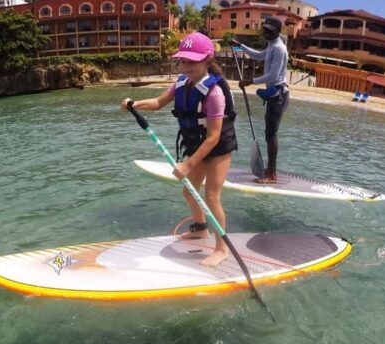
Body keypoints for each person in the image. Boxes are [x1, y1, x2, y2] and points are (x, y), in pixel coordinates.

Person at [121, 32, 238, 267]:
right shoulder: (182, 83)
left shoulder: (214, 93)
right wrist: (135, 104)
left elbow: (214, 137)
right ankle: (200, 228)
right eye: (182, 61)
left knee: (211, 197)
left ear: (207, 59)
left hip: (217, 149)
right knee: (189, 192)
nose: (185, 66)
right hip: (196, 145)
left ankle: (222, 249)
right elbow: (158, 102)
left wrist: (187, 164)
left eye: (191, 61)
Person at [232, 17, 289, 184]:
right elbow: (258, 56)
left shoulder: (279, 49)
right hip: (273, 94)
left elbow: (272, 75)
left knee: (271, 135)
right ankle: (270, 169)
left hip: (279, 94)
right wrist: (239, 45)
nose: (266, 33)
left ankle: (272, 174)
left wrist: (250, 81)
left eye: (270, 31)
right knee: (268, 134)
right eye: (265, 29)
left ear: (278, 32)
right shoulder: (271, 45)